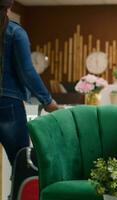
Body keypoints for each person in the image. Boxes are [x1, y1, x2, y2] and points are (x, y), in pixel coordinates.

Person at [0, 0, 59, 166]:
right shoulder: (15, 32)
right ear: (10, 6)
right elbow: (27, 72)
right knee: (22, 165)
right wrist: (47, 101)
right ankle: (19, 193)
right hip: (8, 105)